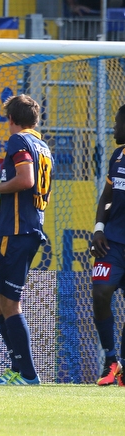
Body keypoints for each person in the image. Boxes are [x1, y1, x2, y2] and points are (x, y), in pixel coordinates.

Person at [0, 95, 52, 386]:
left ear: (11, 119)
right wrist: (7, 207)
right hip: (23, 226)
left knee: (10, 303)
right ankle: (17, 369)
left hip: (19, 232)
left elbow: (26, 180)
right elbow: (30, 189)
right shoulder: (43, 145)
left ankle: (27, 374)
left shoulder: (18, 141)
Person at [89, 104, 125, 387]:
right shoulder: (118, 155)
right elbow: (107, 196)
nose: (114, 128)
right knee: (101, 293)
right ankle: (111, 359)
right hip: (111, 241)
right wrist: (99, 229)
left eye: (117, 123)